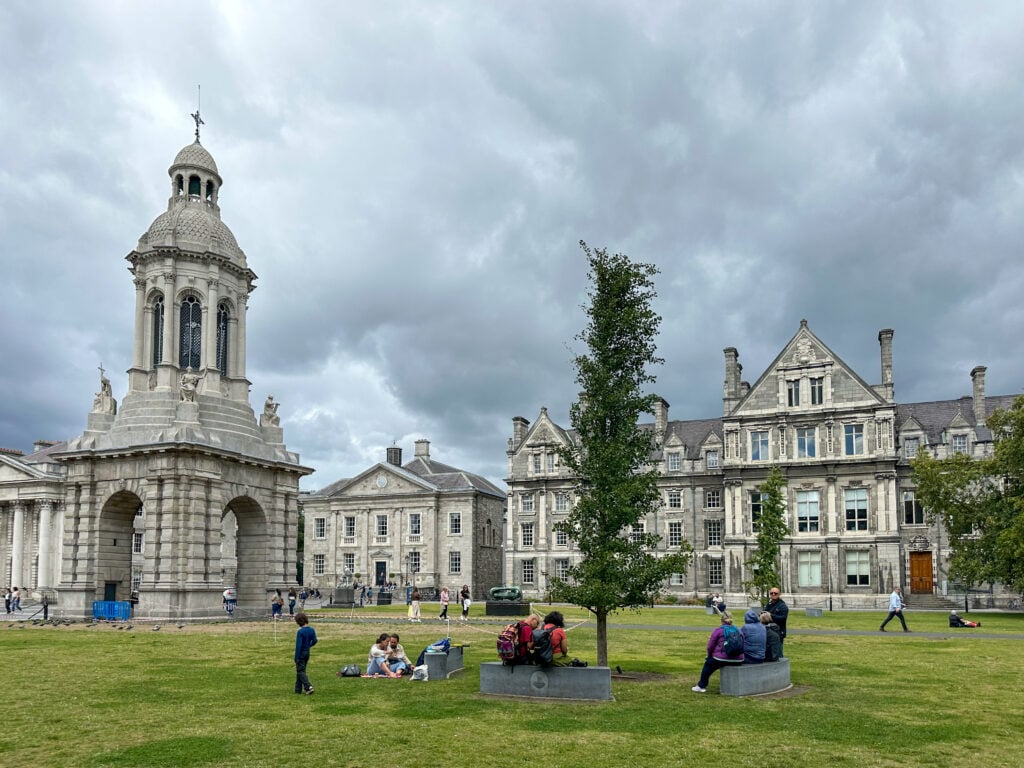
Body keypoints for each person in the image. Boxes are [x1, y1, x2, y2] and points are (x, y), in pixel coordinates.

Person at [692, 611, 744, 692]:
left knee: (708, 665)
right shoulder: (738, 630)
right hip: (738, 659)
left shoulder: (718, 630)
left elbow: (710, 646)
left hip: (722, 658)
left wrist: (709, 656)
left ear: (721, 620)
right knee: (714, 662)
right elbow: (743, 642)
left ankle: (701, 685)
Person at [293, 612, 317, 695]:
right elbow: (315, 641)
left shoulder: (300, 632)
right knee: (301, 670)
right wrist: (308, 646)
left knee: (300, 671)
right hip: (307, 653)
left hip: (301, 653)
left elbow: (298, 646)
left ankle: (308, 686)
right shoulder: (311, 630)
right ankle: (297, 690)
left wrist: (296, 658)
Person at [765, 587, 789, 653]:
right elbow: (766, 612)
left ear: (779, 594)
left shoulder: (782, 606)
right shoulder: (769, 604)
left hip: (779, 632)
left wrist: (771, 616)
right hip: (769, 631)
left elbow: (783, 618)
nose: (773, 594)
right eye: (771, 593)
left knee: (778, 652)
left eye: (775, 593)